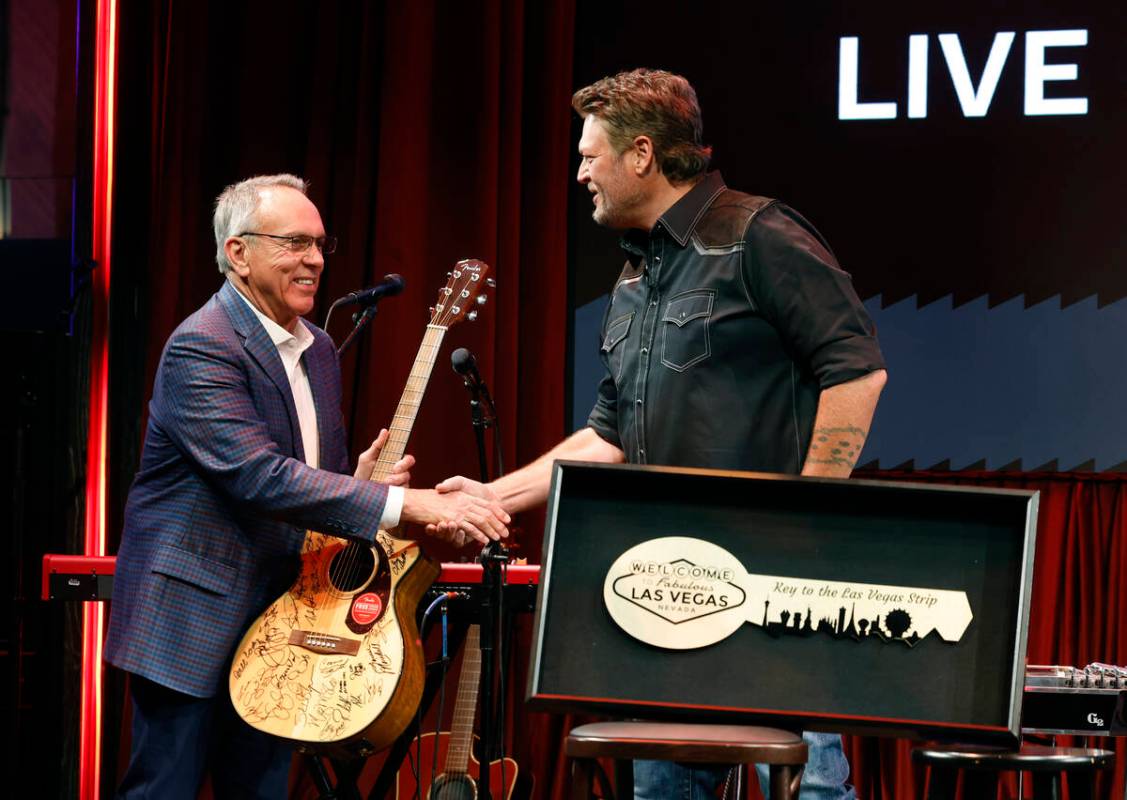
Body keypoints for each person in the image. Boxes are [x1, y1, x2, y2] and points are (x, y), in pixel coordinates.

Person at [434, 70, 887, 799]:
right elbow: (607, 434)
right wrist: (487, 497)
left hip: (775, 575)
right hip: (667, 580)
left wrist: (809, 514)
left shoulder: (758, 234)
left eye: (589, 155)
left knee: (810, 788)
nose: (580, 172)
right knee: (667, 788)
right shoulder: (635, 276)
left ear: (641, 154)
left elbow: (855, 372)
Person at [104, 174, 509, 799]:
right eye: (294, 243)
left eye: (321, 244)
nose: (315, 260)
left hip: (283, 625)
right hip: (191, 619)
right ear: (238, 253)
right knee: (165, 788)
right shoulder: (201, 346)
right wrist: (410, 502)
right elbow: (257, 475)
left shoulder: (317, 348)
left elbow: (304, 487)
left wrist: (357, 480)